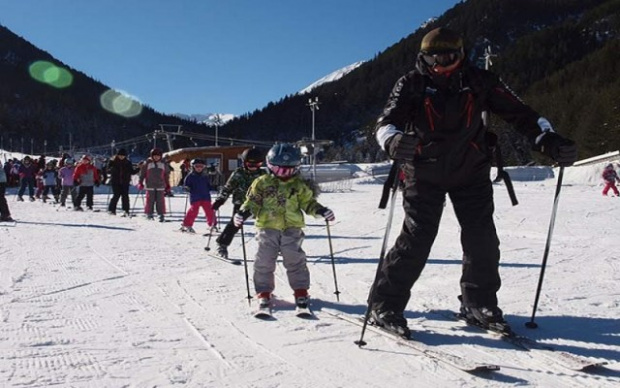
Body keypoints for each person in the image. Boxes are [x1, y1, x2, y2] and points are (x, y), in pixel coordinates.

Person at [371, 27, 578, 337]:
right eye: (434, 58)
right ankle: (384, 304)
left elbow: (521, 113)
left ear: (461, 55)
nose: (442, 64)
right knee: (417, 238)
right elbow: (387, 122)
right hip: (423, 173)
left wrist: (546, 137)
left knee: (482, 239)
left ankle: (478, 303)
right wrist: (392, 140)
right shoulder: (411, 84)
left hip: (471, 171)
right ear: (423, 57)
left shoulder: (481, 81)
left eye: (450, 57)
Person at [233, 143, 335, 310]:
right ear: (270, 166)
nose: (284, 174)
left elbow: (308, 203)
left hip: (292, 229)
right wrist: (243, 213)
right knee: (264, 261)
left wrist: (321, 211)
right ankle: (264, 292)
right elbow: (253, 202)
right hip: (267, 227)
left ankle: (301, 290)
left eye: (289, 170)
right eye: (280, 170)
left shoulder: (299, 185)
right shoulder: (262, 182)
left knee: (295, 260)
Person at [212, 147, 266, 258]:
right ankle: (222, 244)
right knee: (235, 224)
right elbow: (228, 188)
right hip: (241, 203)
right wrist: (220, 200)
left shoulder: (263, 174)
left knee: (270, 224)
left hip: (259, 204)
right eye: (250, 165)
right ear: (244, 163)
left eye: (257, 165)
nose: (253, 168)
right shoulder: (239, 173)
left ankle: (274, 246)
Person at [180, 158, 216, 233]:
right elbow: (186, 185)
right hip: (195, 196)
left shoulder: (205, 176)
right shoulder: (190, 176)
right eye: (197, 166)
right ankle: (187, 225)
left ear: (203, 167)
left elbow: (209, 185)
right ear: (193, 167)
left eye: (201, 166)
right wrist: (187, 188)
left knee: (210, 210)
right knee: (194, 211)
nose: (199, 168)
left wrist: (215, 187)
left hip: (205, 196)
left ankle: (212, 224)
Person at [138, 148, 170, 222]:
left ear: (160, 156)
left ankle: (161, 214)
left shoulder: (163, 164)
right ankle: (149, 213)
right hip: (150, 185)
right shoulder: (147, 164)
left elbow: (166, 175)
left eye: (158, 156)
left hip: (160, 185)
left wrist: (168, 185)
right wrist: (140, 182)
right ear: (152, 156)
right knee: (150, 200)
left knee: (160, 200)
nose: (156, 157)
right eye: (154, 156)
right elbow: (142, 174)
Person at [107, 148, 138, 216]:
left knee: (125, 196)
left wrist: (138, 168)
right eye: (120, 155)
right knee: (116, 195)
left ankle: (126, 210)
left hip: (125, 182)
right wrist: (111, 169)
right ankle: (111, 210)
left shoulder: (128, 163)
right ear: (117, 155)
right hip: (115, 181)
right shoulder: (113, 162)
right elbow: (107, 170)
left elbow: (132, 172)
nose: (121, 157)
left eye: (123, 155)